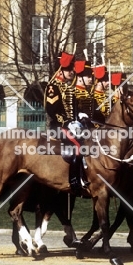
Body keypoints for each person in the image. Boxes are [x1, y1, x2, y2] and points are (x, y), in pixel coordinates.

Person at [44, 52, 90, 192]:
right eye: (69, 69)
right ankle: (74, 179)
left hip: (70, 126)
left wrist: (78, 117)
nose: (72, 72)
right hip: (58, 127)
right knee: (78, 145)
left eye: (72, 69)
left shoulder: (67, 87)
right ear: (60, 70)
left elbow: (72, 108)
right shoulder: (53, 86)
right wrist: (67, 122)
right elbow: (52, 110)